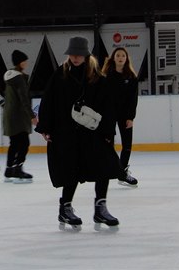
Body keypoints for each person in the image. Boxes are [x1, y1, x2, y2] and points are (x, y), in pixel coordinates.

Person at [35, 36, 120, 230]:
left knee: (103, 166)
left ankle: (101, 208)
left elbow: (108, 106)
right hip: (67, 133)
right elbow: (48, 101)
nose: (75, 57)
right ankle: (65, 208)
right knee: (70, 170)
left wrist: (108, 131)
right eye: (72, 54)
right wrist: (46, 127)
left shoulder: (97, 78)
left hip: (93, 132)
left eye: (79, 54)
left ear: (86, 55)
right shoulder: (60, 75)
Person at [101, 47, 139, 187]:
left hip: (125, 115)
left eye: (123, 55)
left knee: (127, 144)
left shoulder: (131, 78)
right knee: (107, 143)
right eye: (118, 55)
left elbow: (133, 99)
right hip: (109, 114)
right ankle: (111, 170)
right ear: (113, 58)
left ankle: (122, 173)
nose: (120, 57)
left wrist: (131, 117)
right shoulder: (105, 76)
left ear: (126, 58)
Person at [3, 50, 38, 183]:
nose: (26, 63)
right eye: (24, 61)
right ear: (20, 62)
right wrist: (32, 116)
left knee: (14, 143)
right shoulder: (19, 78)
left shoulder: (10, 77)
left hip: (10, 115)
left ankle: (9, 169)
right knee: (24, 143)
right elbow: (24, 99)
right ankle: (17, 169)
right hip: (18, 116)